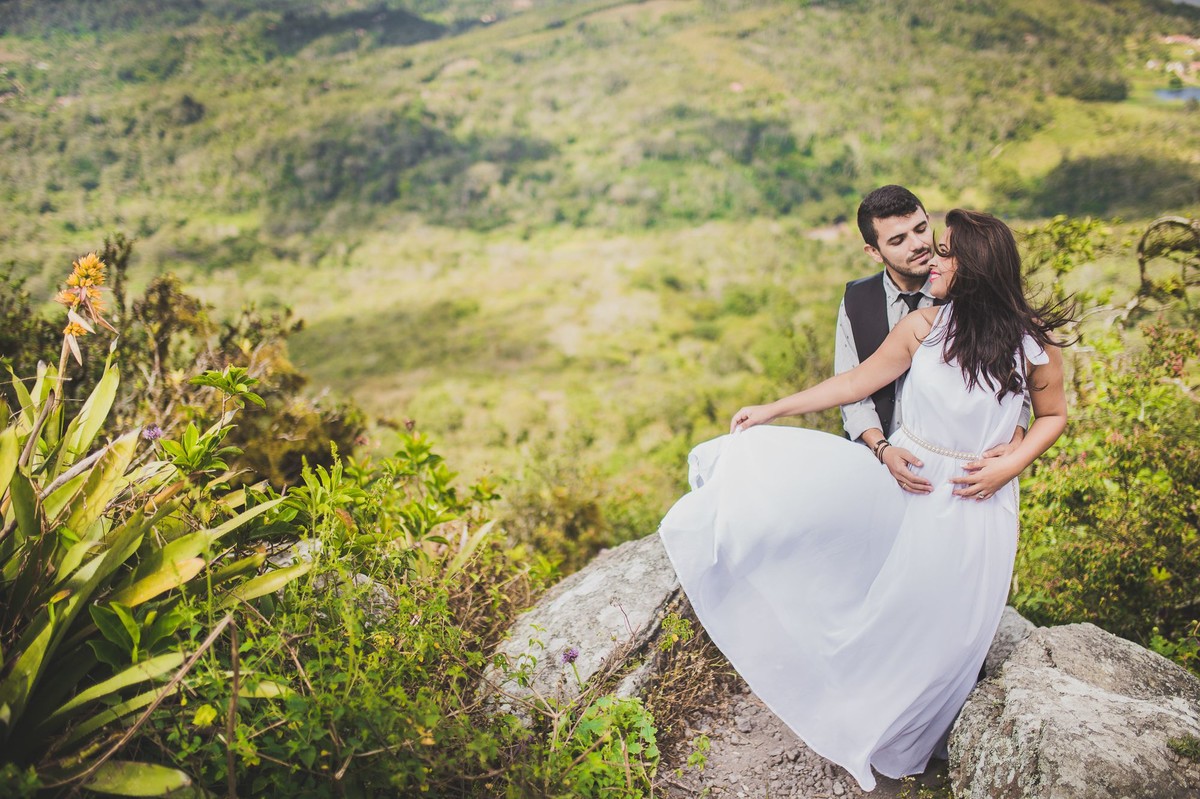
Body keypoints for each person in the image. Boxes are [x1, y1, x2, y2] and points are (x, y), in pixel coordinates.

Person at [658, 209, 1070, 791]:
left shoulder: (1033, 343)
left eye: (946, 250)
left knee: (950, 627)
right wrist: (773, 409)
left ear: (975, 268)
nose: (933, 256)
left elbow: (1053, 416)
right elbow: (856, 383)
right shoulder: (924, 327)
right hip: (906, 482)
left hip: (980, 501)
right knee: (891, 606)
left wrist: (1014, 460)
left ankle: (917, 731)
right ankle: (864, 713)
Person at [836, 185, 1029, 495]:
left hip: (962, 476)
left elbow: (1018, 377)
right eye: (898, 240)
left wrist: (1016, 442)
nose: (918, 245)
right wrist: (882, 449)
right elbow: (849, 388)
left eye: (921, 229)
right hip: (875, 467)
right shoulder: (855, 300)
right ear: (874, 251)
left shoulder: (968, 288)